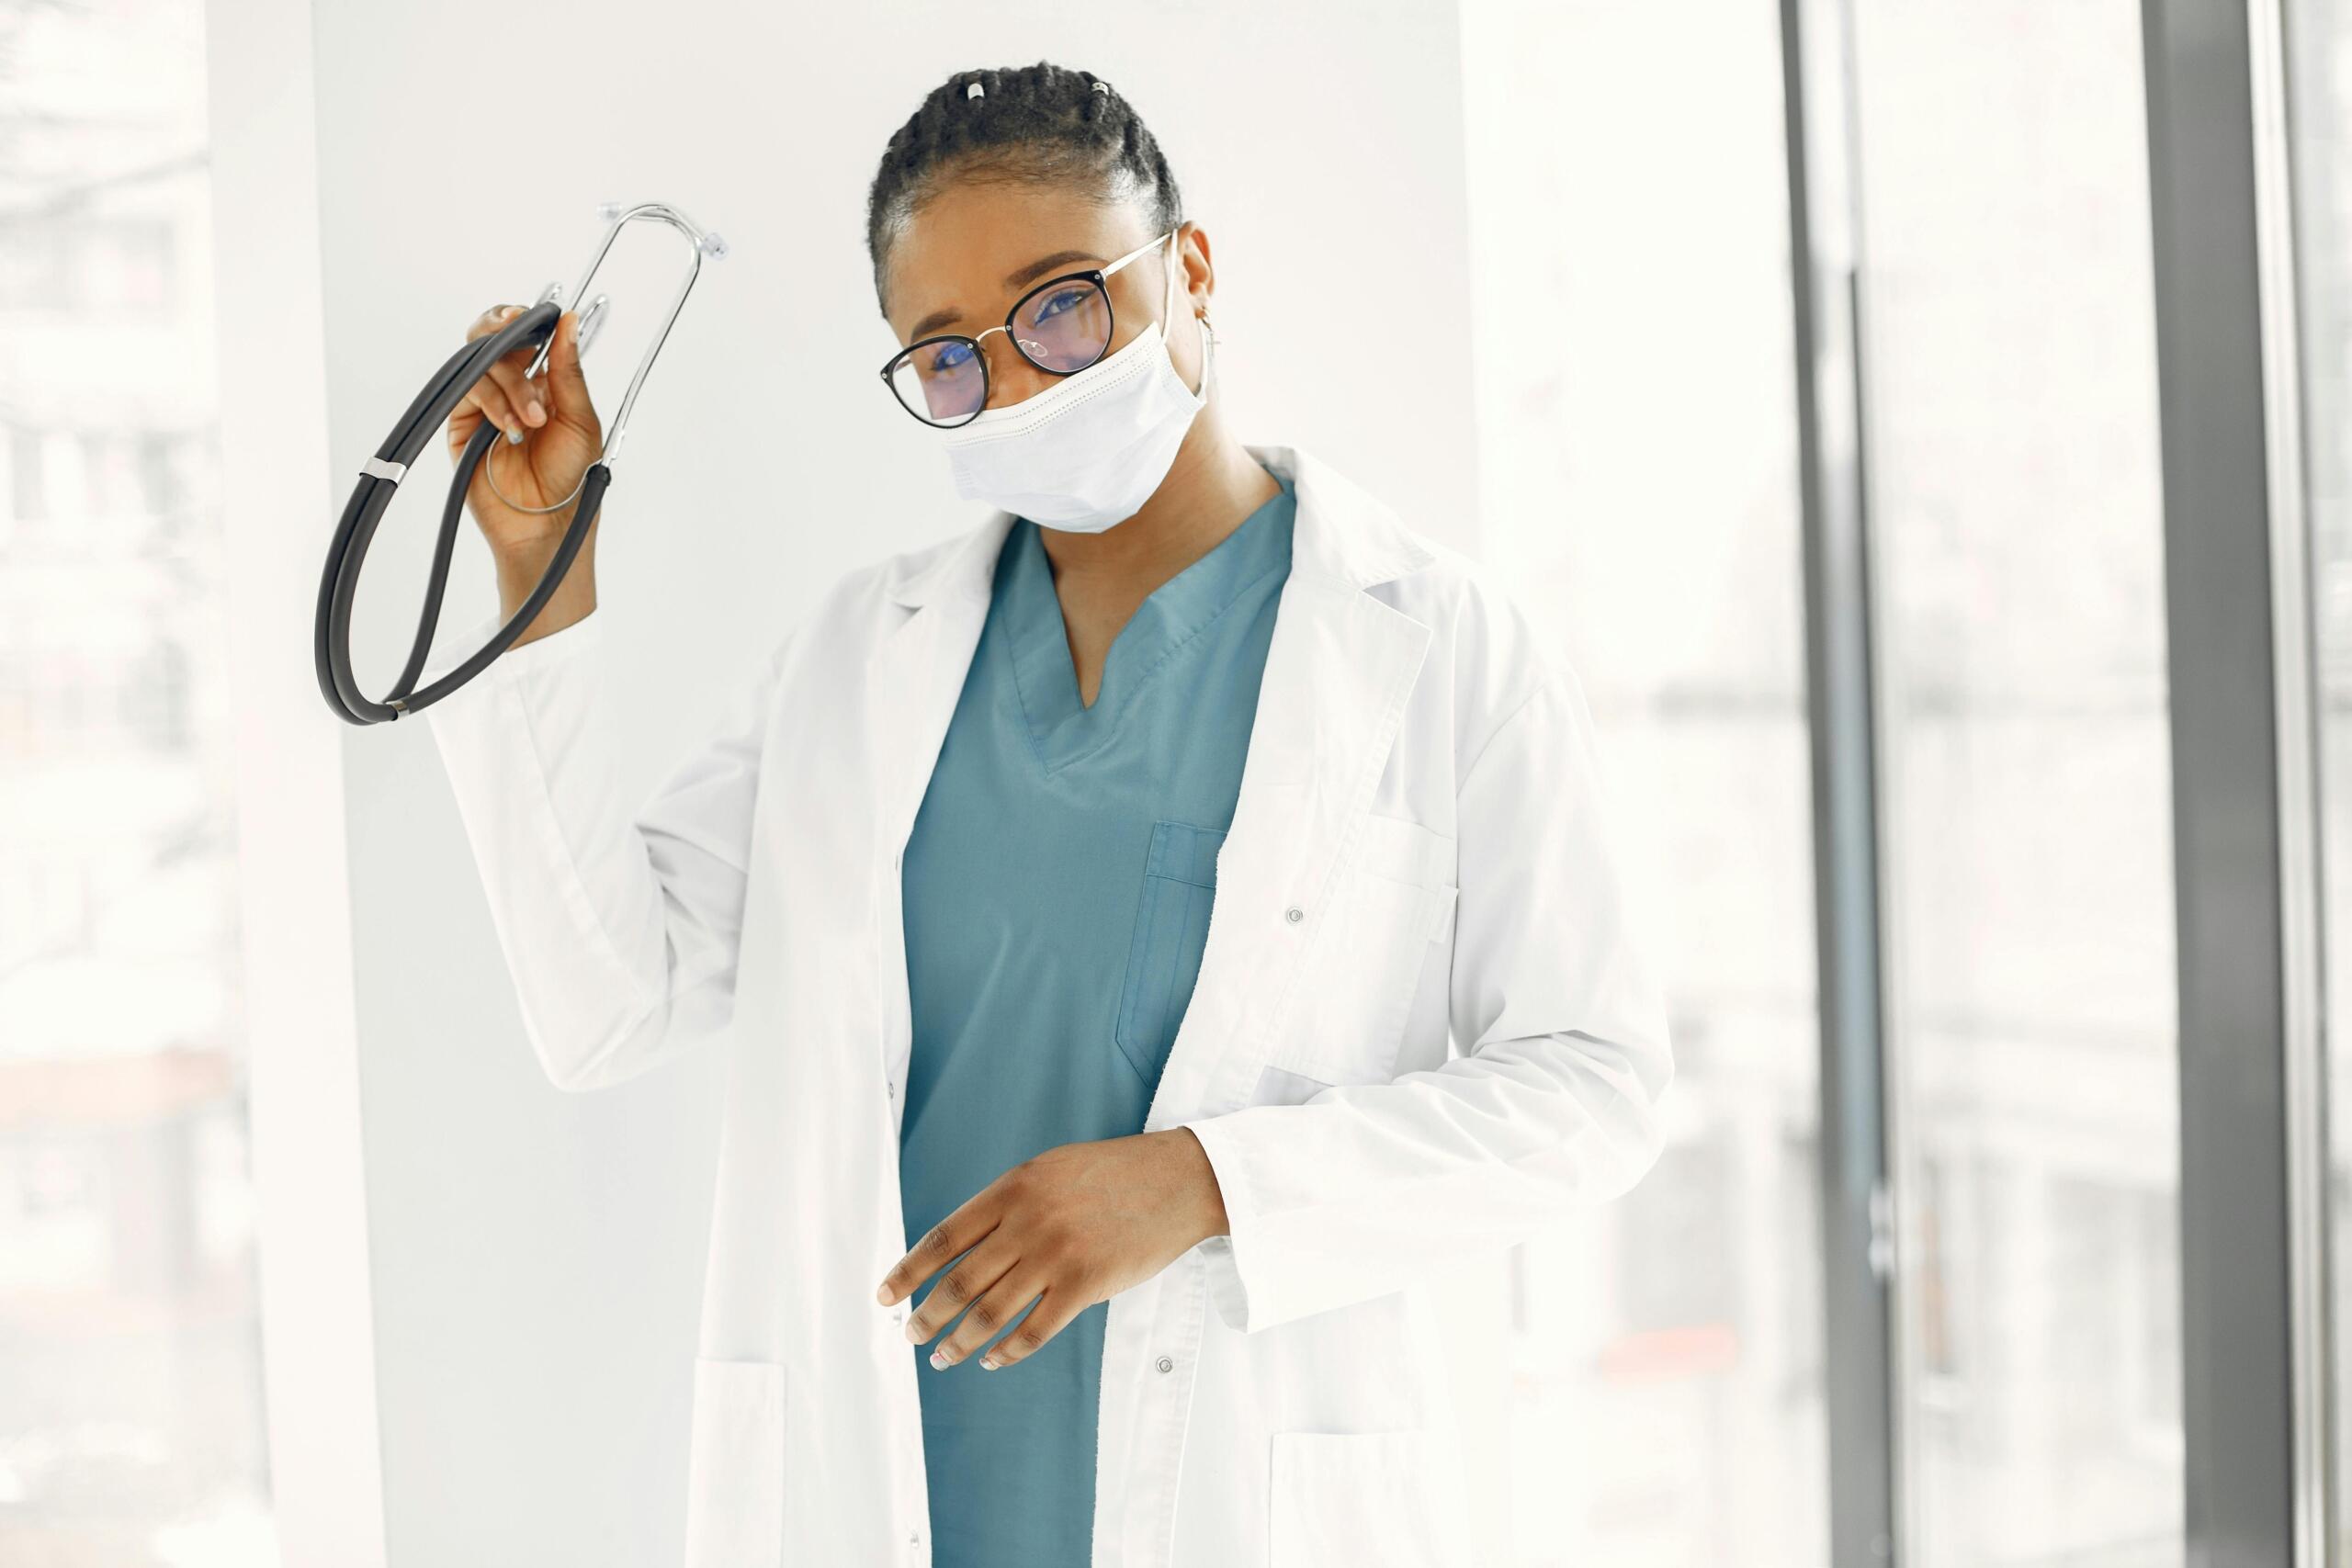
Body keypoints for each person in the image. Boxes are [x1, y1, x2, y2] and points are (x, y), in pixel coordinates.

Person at [421, 59, 1673, 1568]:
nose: (1012, 384)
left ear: (1190, 270)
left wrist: (1205, 1186)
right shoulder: (850, 663)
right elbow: (603, 1007)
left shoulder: (1437, 643)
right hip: (886, 1490)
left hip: (1234, 1493)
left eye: (1062, 305)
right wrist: (534, 565)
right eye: (946, 355)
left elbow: (1594, 1085)